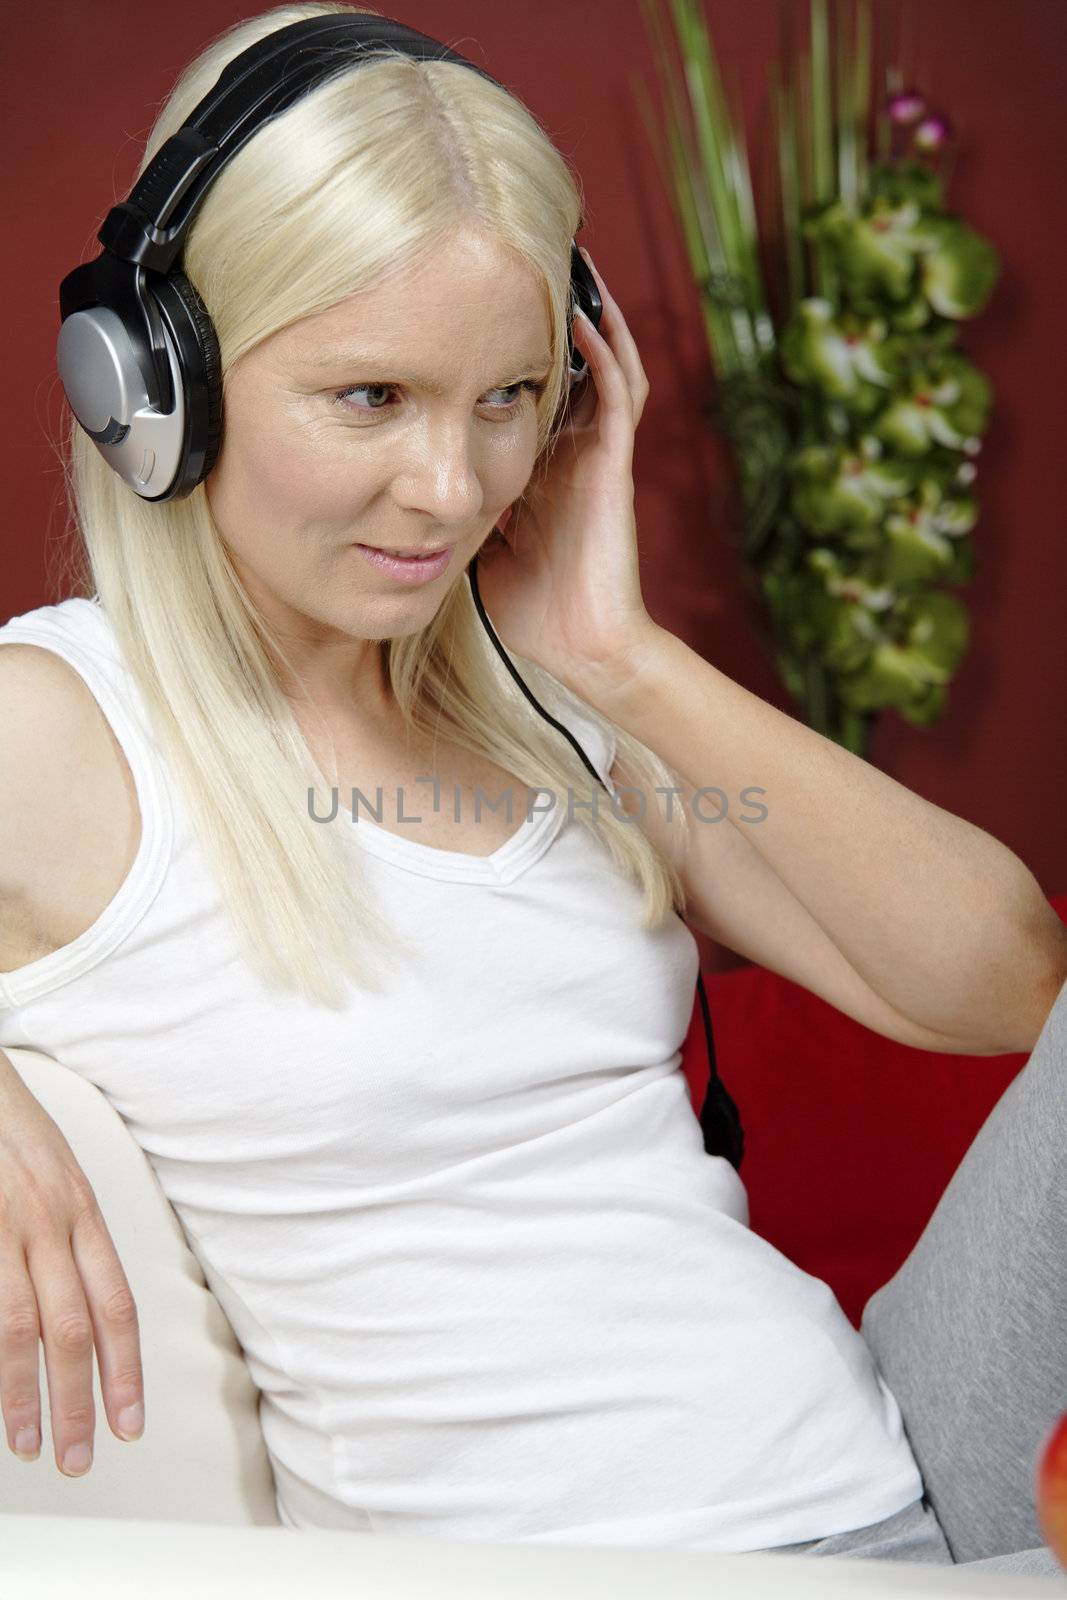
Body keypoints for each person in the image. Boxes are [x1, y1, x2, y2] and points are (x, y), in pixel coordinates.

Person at [1, 1, 1065, 1576]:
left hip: (890, 1446)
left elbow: (1009, 982)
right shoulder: (64, 726)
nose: (453, 489)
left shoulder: (546, 708)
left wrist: (618, 654)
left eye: (507, 397)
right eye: (372, 398)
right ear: (158, 384)